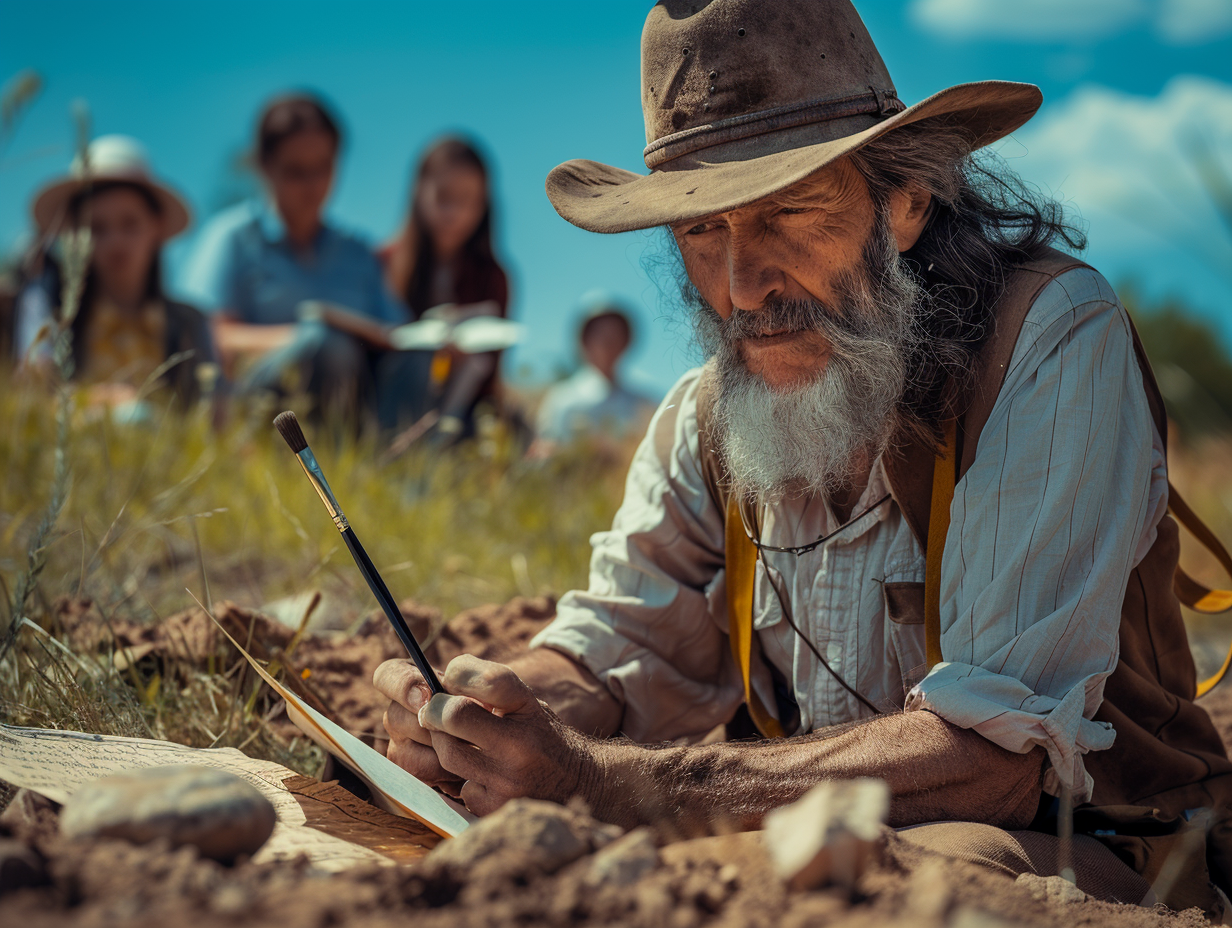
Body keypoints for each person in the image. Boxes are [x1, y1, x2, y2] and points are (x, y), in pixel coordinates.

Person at [374, 0, 1232, 913]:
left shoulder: (1049, 343)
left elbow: (993, 765)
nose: (744, 286)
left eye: (787, 209)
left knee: (898, 878)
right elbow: (615, 653)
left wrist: (612, 785)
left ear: (905, 200)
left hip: (1102, 847)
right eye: (704, 230)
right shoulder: (708, 417)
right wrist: (481, 718)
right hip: (821, 836)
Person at [180, 94, 413, 425]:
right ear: (264, 167)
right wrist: (303, 338)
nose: (312, 185)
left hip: (362, 403)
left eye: (323, 168)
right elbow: (208, 334)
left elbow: (397, 334)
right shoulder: (232, 238)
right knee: (326, 345)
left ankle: (403, 463)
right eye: (295, 171)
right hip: (263, 401)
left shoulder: (357, 253)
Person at [17, 135, 215, 411]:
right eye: (97, 228)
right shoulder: (50, 312)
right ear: (73, 236)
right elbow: (35, 397)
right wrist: (106, 402)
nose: (115, 241)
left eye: (130, 224)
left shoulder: (189, 324)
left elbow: (212, 412)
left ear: (156, 226)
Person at [382, 137, 510, 442]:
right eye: (443, 197)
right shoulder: (383, 263)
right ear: (419, 192)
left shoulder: (494, 278)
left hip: (462, 413)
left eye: (469, 201)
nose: (455, 213)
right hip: (387, 407)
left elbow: (492, 375)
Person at [531, 292, 655, 454]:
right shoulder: (561, 400)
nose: (607, 342)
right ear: (584, 340)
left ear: (627, 341)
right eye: (599, 334)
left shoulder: (644, 404)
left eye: (615, 334)